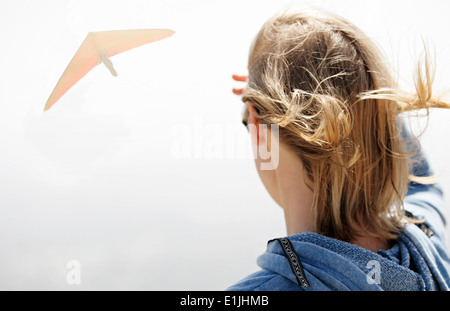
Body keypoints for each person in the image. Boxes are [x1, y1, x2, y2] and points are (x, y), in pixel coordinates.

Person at [227, 8, 450, 291]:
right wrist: (364, 92)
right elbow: (421, 183)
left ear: (258, 126)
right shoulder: (426, 240)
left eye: (247, 122)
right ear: (381, 120)